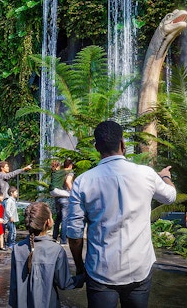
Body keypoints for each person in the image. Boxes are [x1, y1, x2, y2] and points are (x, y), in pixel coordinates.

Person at [66, 120, 176, 307]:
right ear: (123, 144)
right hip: (139, 267)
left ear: (97, 147)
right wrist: (165, 176)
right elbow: (170, 197)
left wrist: (79, 267)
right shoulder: (146, 174)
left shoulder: (83, 182)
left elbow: (75, 235)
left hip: (101, 271)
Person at [9, 201, 75, 308]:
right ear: (48, 222)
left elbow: (14, 288)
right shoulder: (56, 250)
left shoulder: (17, 249)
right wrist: (82, 277)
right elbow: (64, 283)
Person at [49, 159, 73, 244]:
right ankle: (63, 241)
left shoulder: (55, 172)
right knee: (64, 219)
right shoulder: (67, 172)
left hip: (56, 197)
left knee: (58, 218)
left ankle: (54, 238)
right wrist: (74, 192)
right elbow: (68, 182)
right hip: (63, 197)